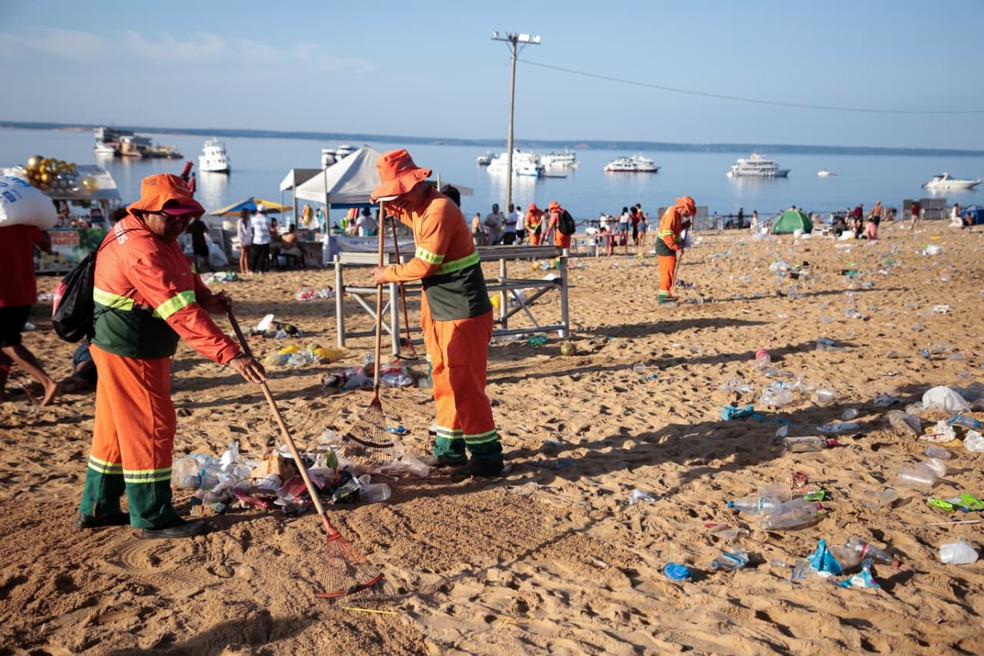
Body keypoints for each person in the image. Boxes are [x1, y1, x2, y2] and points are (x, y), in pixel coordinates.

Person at [77, 173, 266, 538]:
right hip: (131, 349)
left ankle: (98, 507)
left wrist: (207, 297)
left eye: (186, 217)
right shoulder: (141, 248)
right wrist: (231, 354)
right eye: (172, 215)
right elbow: (179, 311)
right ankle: (153, 516)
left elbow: (182, 276)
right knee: (151, 425)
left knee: (116, 428)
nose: (180, 223)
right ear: (148, 210)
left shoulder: (156, 236)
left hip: (127, 346)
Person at [370, 150, 504, 477]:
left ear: (417, 182)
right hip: (438, 309)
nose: (398, 202)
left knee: (465, 384)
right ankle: (449, 450)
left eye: (399, 195)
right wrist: (392, 210)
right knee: (442, 379)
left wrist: (387, 273)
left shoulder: (440, 209)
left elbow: (425, 264)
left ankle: (487, 457)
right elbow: (411, 216)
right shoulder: (418, 208)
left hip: (463, 310)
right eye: (393, 197)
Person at [0, 223, 60, 405]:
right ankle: (0, 392)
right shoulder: (23, 220)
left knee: (7, 342)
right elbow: (47, 246)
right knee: (7, 340)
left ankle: (47, 382)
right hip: (25, 292)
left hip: (3, 293)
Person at [655, 196, 695, 304]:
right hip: (665, 246)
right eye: (687, 212)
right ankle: (663, 298)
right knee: (667, 272)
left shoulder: (676, 213)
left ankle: (667, 294)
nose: (687, 215)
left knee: (670, 271)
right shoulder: (672, 215)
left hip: (669, 245)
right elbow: (667, 236)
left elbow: (674, 228)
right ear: (683, 207)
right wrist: (677, 249)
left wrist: (683, 225)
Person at [250, 204, 272, 273]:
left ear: (257, 211)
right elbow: (269, 228)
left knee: (255, 255)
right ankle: (261, 270)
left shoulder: (253, 219)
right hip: (266, 239)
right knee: (263, 256)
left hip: (257, 239)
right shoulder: (268, 219)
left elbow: (252, 228)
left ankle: (253, 269)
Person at [237, 208, 252, 275]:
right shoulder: (240, 221)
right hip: (243, 239)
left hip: (248, 239)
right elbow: (239, 232)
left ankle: (247, 269)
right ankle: (242, 270)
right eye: (248, 213)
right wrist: (241, 241)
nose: (249, 214)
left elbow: (250, 230)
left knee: (247, 255)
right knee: (242, 255)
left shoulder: (249, 221)